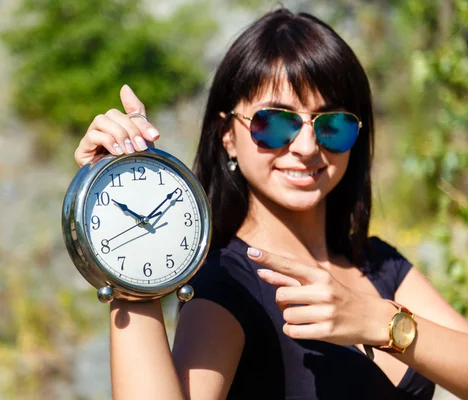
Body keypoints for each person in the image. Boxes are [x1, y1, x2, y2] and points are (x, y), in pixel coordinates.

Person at [73, 8, 468, 400]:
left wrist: (380, 321)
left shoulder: (379, 264)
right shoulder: (228, 283)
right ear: (228, 134)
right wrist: (120, 227)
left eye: (332, 125)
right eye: (276, 123)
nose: (307, 147)